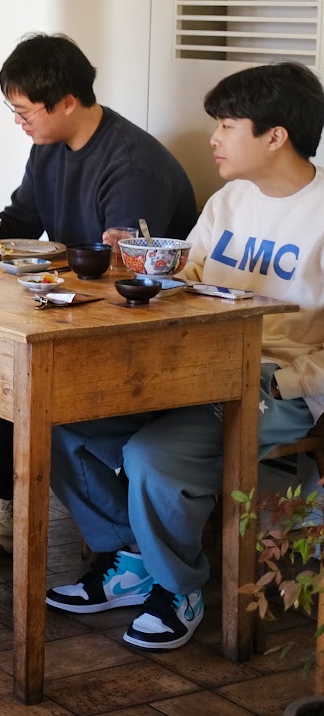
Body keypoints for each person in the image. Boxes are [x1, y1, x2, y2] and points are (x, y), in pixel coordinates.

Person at [44, 62, 324, 651]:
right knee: (60, 421)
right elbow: (186, 278)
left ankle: (179, 587)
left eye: (226, 125)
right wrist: (142, 268)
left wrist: (292, 383)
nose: (214, 139)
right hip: (194, 368)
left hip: (276, 383)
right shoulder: (228, 202)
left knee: (155, 457)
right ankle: (134, 556)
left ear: (276, 136)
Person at [0, 33, 198, 555]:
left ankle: (106, 538)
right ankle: (11, 495)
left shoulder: (131, 162)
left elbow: (124, 267)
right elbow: (21, 221)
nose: (18, 123)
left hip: (137, 330)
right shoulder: (48, 149)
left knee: (16, 366)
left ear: (67, 102)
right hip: (70, 308)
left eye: (24, 112)